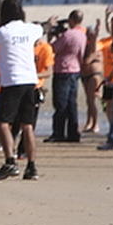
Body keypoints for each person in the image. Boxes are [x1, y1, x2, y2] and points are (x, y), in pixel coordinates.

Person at [0, 0, 44, 180]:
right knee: (27, 125)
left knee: (3, 122)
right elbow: (41, 29)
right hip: (29, 80)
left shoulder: (4, 32)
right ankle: (32, 166)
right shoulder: (31, 29)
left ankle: (10, 161)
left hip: (12, 81)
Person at [49, 10, 87, 142]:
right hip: (75, 69)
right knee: (71, 103)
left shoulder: (68, 35)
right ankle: (73, 132)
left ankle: (58, 132)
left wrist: (53, 36)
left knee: (61, 103)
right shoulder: (82, 34)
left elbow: (53, 48)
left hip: (63, 69)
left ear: (71, 20)